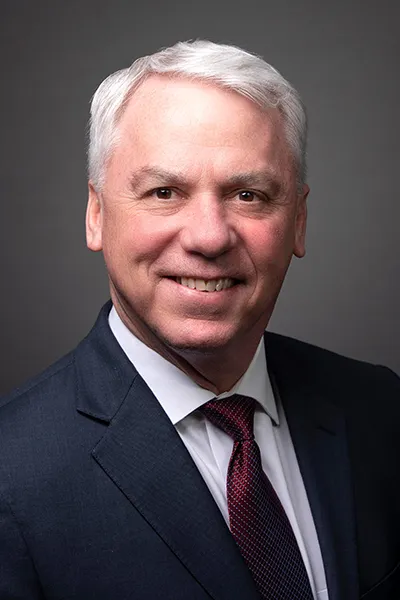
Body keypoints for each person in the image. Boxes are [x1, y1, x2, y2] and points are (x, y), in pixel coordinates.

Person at [0, 40, 399, 600]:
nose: (209, 237)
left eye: (248, 195)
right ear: (96, 214)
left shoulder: (381, 409)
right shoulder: (11, 472)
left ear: (299, 221)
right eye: (164, 192)